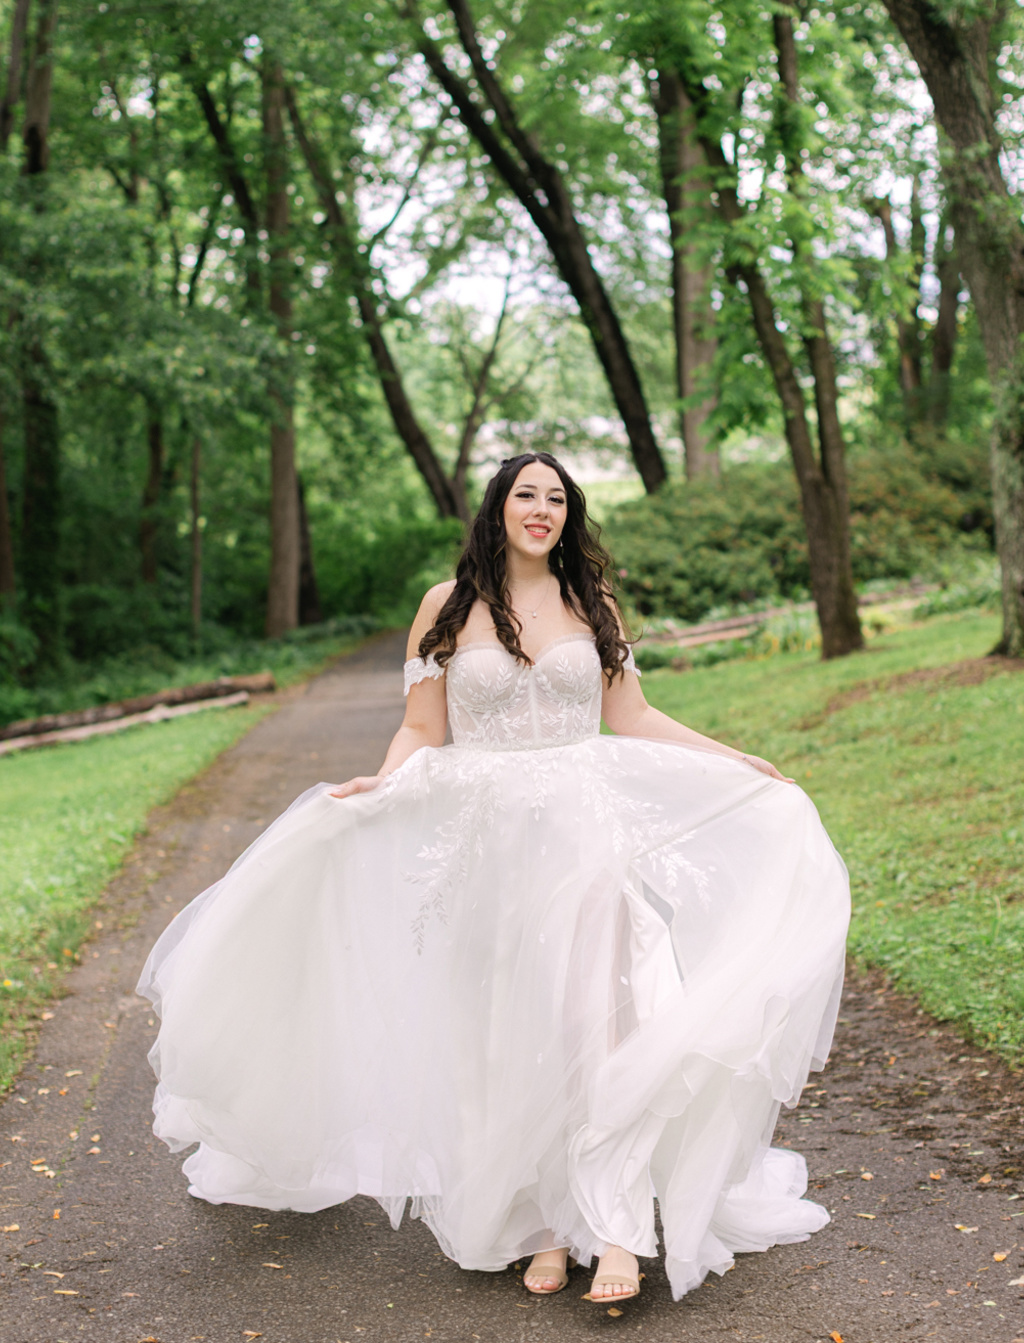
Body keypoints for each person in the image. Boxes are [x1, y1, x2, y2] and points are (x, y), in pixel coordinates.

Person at [138, 451, 850, 1305]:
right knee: (505, 1032)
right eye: (527, 494)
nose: (542, 509)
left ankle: (617, 1227)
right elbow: (420, 725)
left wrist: (737, 760)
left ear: (569, 515)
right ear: (499, 507)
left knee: (600, 1018)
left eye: (557, 497)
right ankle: (540, 1224)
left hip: (586, 834)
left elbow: (631, 715)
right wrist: (384, 783)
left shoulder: (591, 601)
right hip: (485, 848)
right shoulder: (446, 606)